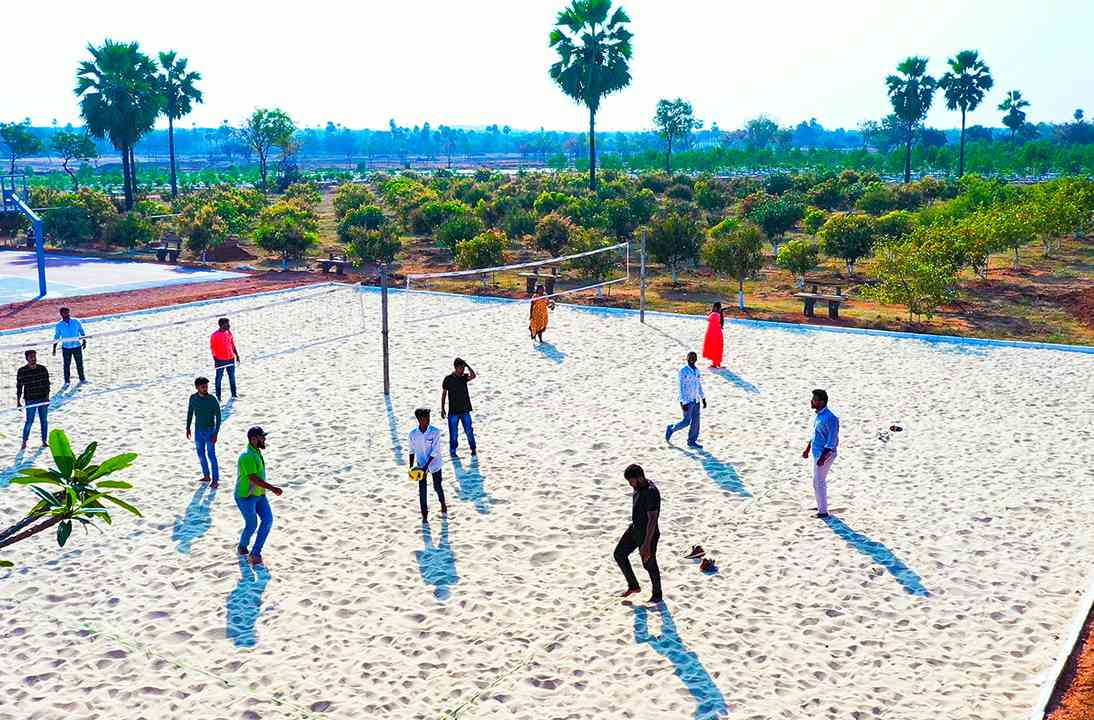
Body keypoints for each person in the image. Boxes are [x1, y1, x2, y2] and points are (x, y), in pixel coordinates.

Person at [614, 464, 662, 604]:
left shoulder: (651, 492)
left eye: (631, 481)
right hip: (635, 528)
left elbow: (653, 519)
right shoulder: (638, 487)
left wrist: (646, 544)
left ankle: (657, 594)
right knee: (619, 554)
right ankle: (633, 586)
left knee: (649, 564)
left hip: (648, 533)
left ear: (640, 478)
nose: (630, 484)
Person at [236, 427, 282, 565]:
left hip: (260, 495)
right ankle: (242, 547)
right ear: (254, 439)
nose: (264, 439)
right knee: (251, 525)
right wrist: (272, 488)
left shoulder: (256, 452)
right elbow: (253, 478)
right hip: (246, 497)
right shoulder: (247, 456)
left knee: (268, 520)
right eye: (262, 437)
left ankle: (255, 553)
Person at [802, 388, 840, 519]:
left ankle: (823, 512)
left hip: (825, 454)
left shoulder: (831, 418)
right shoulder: (819, 415)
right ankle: (820, 504)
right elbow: (815, 435)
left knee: (819, 481)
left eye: (814, 400)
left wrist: (823, 457)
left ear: (822, 402)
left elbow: (831, 440)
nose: (811, 401)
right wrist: (807, 449)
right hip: (817, 452)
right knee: (816, 481)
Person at [409, 408, 448, 521]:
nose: (428, 420)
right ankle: (424, 514)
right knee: (422, 490)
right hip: (420, 465)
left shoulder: (435, 432)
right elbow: (411, 450)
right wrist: (411, 467)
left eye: (428, 418)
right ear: (419, 420)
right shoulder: (413, 434)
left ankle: (442, 503)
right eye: (425, 418)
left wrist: (425, 467)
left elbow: (435, 451)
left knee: (437, 486)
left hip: (435, 464)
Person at [665, 352, 706, 449]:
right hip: (687, 400)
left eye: (694, 358)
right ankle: (671, 428)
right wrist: (683, 402)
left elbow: (699, 385)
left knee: (696, 422)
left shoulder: (697, 370)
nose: (692, 359)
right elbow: (681, 387)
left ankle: (691, 441)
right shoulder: (683, 371)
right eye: (690, 357)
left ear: (696, 359)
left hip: (696, 400)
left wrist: (703, 398)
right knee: (686, 421)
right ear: (687, 359)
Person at [186, 376, 222, 488]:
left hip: (210, 431)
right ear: (197, 387)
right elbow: (190, 412)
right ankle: (206, 476)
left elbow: (219, 417)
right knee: (201, 454)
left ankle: (215, 480)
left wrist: (216, 433)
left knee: (211, 455)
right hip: (198, 431)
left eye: (206, 386)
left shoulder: (212, 399)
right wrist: (187, 427)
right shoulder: (193, 398)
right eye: (203, 387)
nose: (205, 388)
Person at [441, 358, 477, 457]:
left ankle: (473, 448)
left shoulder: (464, 377)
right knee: (453, 433)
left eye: (464, 368)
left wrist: (467, 365)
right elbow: (444, 394)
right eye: (461, 368)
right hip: (453, 412)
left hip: (465, 410)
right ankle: (453, 451)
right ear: (456, 368)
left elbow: (473, 375)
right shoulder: (448, 379)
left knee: (469, 431)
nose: (463, 370)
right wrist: (442, 408)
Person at [16, 350, 50, 449]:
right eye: (31, 357)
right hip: (30, 399)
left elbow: (47, 384)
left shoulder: (42, 369)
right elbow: (19, 386)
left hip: (42, 398)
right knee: (29, 421)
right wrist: (18, 401)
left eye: (34, 357)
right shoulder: (22, 371)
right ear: (27, 359)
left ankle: (44, 441)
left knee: (44, 421)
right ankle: (24, 441)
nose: (33, 359)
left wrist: (47, 398)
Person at [52, 307, 87, 385]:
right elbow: (57, 337)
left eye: (68, 312)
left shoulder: (76, 321)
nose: (67, 314)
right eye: (65, 313)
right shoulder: (59, 325)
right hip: (66, 348)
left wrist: (84, 340)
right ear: (61, 314)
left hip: (77, 346)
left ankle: (82, 379)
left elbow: (81, 331)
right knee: (67, 365)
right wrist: (54, 348)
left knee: (79, 363)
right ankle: (67, 381)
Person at [211, 318, 241, 401]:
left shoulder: (229, 332)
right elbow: (213, 348)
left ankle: (234, 394)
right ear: (221, 325)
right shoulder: (214, 335)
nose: (229, 325)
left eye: (228, 324)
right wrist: (215, 360)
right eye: (227, 324)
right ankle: (218, 397)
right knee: (218, 378)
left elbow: (232, 344)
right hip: (220, 360)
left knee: (232, 377)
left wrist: (237, 355)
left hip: (230, 358)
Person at [702, 302, 726, 369]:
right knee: (718, 348)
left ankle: (715, 364)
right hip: (718, 333)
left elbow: (708, 319)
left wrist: (711, 312)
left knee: (713, 347)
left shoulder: (714, 314)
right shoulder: (720, 315)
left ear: (715, 307)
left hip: (712, 333)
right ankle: (718, 363)